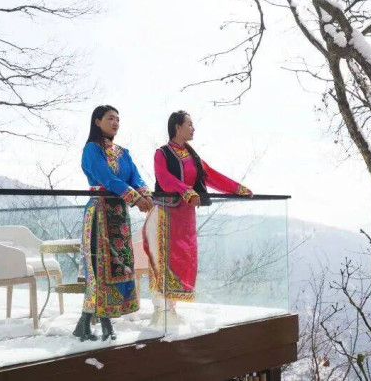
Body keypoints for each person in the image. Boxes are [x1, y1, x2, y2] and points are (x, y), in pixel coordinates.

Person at [143, 111, 252, 325]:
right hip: (165, 216)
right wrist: (186, 191)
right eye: (189, 124)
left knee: (183, 260)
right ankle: (161, 311)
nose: (193, 129)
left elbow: (212, 176)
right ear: (177, 127)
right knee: (163, 261)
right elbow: (164, 179)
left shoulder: (192, 157)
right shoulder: (162, 153)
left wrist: (238, 189)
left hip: (185, 218)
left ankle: (170, 309)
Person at [74, 105, 153, 341]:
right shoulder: (91, 149)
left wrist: (144, 192)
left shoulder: (123, 152)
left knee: (119, 268)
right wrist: (134, 197)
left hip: (119, 216)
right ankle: (105, 324)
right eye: (110, 118)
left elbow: (135, 176)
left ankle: (84, 324)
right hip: (99, 213)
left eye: (118, 119)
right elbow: (106, 178)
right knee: (100, 270)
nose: (116, 123)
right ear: (97, 121)